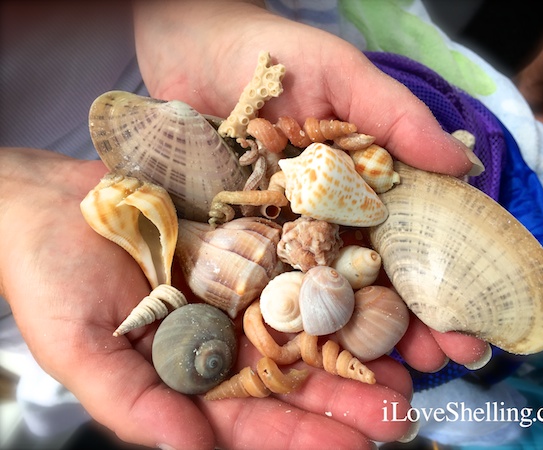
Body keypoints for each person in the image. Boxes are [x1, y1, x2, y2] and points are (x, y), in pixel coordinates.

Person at [0, 1, 511, 449]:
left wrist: (195, 15)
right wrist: (13, 193)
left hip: (191, 93)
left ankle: (479, 419)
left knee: (434, 374)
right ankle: (475, 421)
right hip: (30, 238)